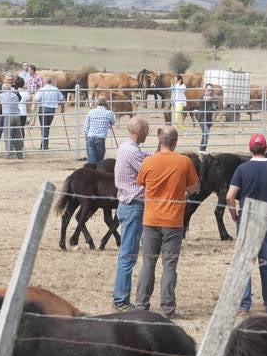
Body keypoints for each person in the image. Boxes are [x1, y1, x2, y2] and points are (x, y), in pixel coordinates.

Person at [132, 126, 198, 319]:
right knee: (169, 265)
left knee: (148, 263)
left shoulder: (148, 161)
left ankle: (141, 304)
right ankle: (168, 308)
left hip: (151, 219)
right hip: (173, 220)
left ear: (160, 140)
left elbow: (141, 183)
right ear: (175, 142)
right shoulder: (184, 162)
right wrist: (183, 192)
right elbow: (194, 187)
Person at [226, 133, 267, 314]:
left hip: (246, 218)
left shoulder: (242, 169)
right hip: (266, 219)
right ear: (266, 148)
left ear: (250, 149)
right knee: (266, 262)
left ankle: (244, 304)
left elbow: (230, 196)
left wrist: (234, 215)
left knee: (245, 262)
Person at [112, 116, 150, 311]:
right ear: (139, 131)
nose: (148, 133)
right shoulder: (131, 151)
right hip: (134, 205)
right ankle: (121, 299)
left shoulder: (127, 147)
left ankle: (121, 297)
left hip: (127, 204)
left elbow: (144, 157)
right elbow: (148, 171)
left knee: (127, 253)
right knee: (127, 254)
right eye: (147, 130)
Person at [83, 95, 115, 164]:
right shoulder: (109, 113)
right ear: (106, 103)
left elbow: (86, 127)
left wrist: (86, 136)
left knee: (91, 161)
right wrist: (109, 108)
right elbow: (112, 122)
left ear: (97, 102)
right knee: (100, 161)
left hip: (90, 137)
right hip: (101, 138)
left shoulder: (91, 112)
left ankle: (92, 172)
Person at [0, 81, 24, 157]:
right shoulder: (15, 95)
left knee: (7, 135)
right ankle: (20, 154)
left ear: (3, 89)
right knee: (18, 135)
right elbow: (18, 96)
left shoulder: (2, 95)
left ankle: (9, 153)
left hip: (8, 116)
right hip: (17, 116)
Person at [35, 80, 63, 150]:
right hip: (52, 110)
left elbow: (37, 99)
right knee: (47, 127)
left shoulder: (42, 89)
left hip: (43, 109)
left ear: (45, 82)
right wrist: (63, 108)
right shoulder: (56, 89)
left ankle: (44, 146)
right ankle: (44, 144)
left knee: (44, 127)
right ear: (51, 82)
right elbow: (62, 98)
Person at [198, 83, 218, 153]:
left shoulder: (213, 99)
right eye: (208, 90)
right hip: (202, 117)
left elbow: (215, 109)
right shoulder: (202, 97)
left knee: (206, 134)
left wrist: (215, 103)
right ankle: (201, 150)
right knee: (205, 132)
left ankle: (203, 149)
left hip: (209, 118)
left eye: (211, 90)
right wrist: (215, 98)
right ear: (205, 90)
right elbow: (207, 99)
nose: (210, 92)